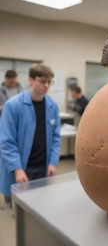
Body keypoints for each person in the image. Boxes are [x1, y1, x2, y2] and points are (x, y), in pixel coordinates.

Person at [0, 63, 61, 206]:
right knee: (19, 208)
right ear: (31, 80)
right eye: (42, 81)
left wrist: (52, 162)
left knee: (39, 204)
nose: (46, 86)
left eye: (49, 82)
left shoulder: (52, 106)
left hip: (43, 166)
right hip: (21, 167)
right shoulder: (13, 105)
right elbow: (6, 141)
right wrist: (18, 169)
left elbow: (56, 137)